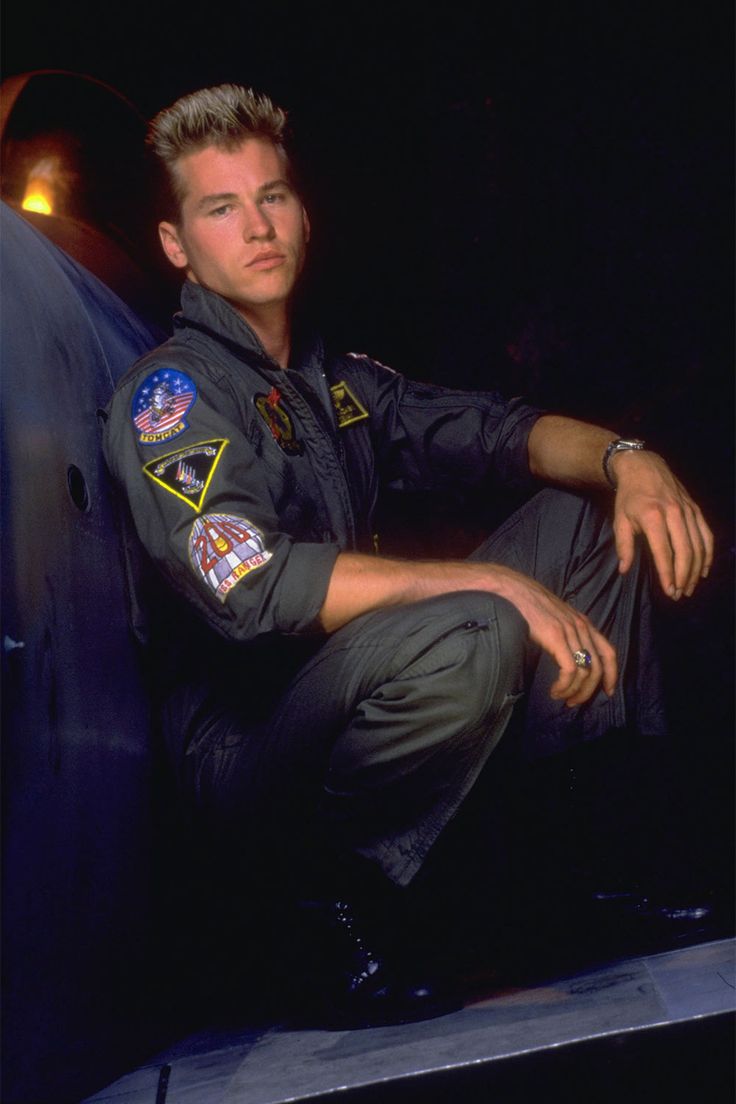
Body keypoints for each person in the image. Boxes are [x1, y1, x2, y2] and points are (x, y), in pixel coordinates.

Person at [102, 83, 714, 1027]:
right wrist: (489, 575)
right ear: (178, 245)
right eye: (221, 208)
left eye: (272, 197)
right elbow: (248, 584)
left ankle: (588, 867)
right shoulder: (170, 396)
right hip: (246, 750)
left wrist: (629, 459)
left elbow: (496, 431)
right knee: (477, 619)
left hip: (345, 691)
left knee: (590, 522)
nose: (257, 227)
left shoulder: (332, 383)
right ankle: (318, 924)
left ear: (302, 214)